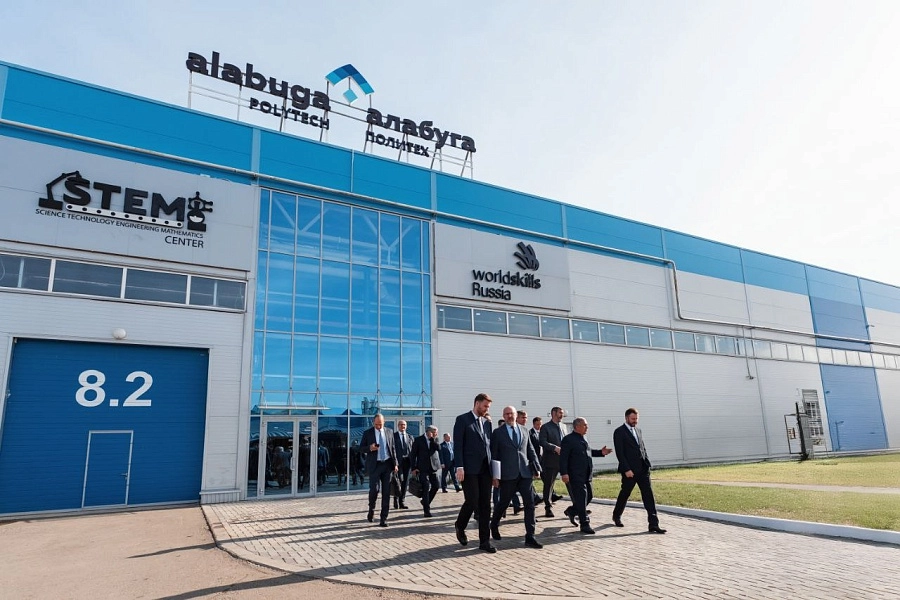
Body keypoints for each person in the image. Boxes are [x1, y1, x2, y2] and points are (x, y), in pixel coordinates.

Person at [490, 406, 543, 549]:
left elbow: (530, 450)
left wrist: (537, 468)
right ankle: (494, 524)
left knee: (529, 504)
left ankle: (530, 536)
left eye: (511, 413)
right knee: (504, 502)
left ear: (515, 415)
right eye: (506, 414)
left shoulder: (524, 430)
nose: (509, 416)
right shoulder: (498, 433)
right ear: (503, 416)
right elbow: (494, 455)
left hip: (525, 473)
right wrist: (495, 476)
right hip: (508, 475)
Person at [453, 392, 495, 553]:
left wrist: (495, 470)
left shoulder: (487, 423)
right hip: (469, 469)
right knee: (472, 500)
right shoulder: (462, 420)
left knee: (485, 505)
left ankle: (485, 542)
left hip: (486, 469)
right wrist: (459, 466)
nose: (486, 409)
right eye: (485, 406)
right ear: (477, 403)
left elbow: (489, 446)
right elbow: (458, 445)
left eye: (488, 407)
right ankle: (460, 525)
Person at [612, 408, 666, 534]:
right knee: (625, 494)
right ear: (626, 418)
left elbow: (642, 447)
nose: (635, 421)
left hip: (643, 469)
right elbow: (620, 453)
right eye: (633, 419)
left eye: (636, 419)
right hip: (630, 471)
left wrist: (647, 462)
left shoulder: (638, 430)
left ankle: (653, 524)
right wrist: (626, 469)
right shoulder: (619, 432)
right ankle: (616, 515)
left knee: (648, 496)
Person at [559, 417, 611, 534]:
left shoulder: (583, 438)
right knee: (581, 498)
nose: (587, 427)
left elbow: (588, 452)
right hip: (575, 474)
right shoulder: (568, 440)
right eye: (585, 425)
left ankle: (572, 511)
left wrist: (600, 452)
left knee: (589, 496)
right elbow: (563, 458)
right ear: (577, 426)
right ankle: (585, 524)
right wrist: (564, 473)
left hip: (587, 474)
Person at [360, 414, 398, 527]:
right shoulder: (368, 433)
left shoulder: (389, 432)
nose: (378, 426)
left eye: (380, 424)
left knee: (386, 492)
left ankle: (383, 518)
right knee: (374, 490)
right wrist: (370, 448)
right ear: (373, 422)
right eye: (376, 424)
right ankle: (371, 509)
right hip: (375, 465)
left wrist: (395, 464)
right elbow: (361, 448)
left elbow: (393, 448)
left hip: (387, 465)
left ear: (384, 422)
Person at [539, 406, 567, 517]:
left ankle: (577, 507)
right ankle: (548, 507)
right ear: (553, 414)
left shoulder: (564, 426)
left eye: (562, 413)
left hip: (564, 460)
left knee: (570, 483)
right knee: (549, 485)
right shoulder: (546, 427)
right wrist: (554, 448)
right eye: (560, 413)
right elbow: (542, 442)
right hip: (551, 460)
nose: (562, 415)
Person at [410, 425, 441, 517]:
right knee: (425, 488)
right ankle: (426, 511)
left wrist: (432, 439)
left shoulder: (435, 439)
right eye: (434, 433)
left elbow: (438, 448)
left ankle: (425, 502)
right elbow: (413, 455)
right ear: (428, 432)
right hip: (422, 468)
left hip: (433, 467)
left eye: (436, 433)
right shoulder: (418, 440)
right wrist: (413, 468)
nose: (436, 434)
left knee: (436, 486)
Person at [394, 420, 413, 510]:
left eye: (404, 425)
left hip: (407, 462)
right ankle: (395, 499)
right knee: (397, 481)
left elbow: (413, 450)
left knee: (405, 482)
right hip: (397, 462)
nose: (403, 426)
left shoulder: (410, 437)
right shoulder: (394, 436)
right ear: (398, 426)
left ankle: (402, 501)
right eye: (401, 425)